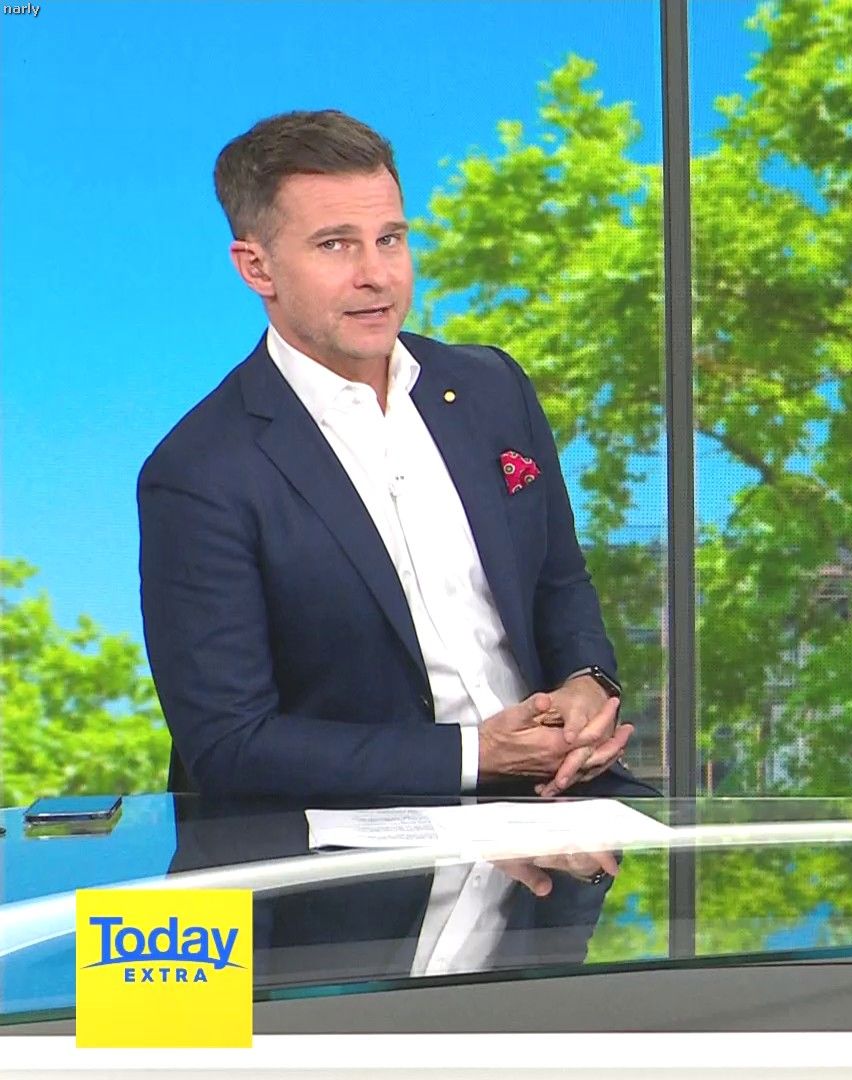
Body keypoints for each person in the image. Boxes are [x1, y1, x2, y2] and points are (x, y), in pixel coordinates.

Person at [140, 109, 648, 801]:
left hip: (561, 797)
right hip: (363, 836)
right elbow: (231, 743)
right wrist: (477, 756)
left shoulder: (493, 388)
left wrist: (586, 683)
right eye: (336, 245)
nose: (376, 275)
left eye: (390, 238)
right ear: (256, 267)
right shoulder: (199, 472)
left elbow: (560, 584)